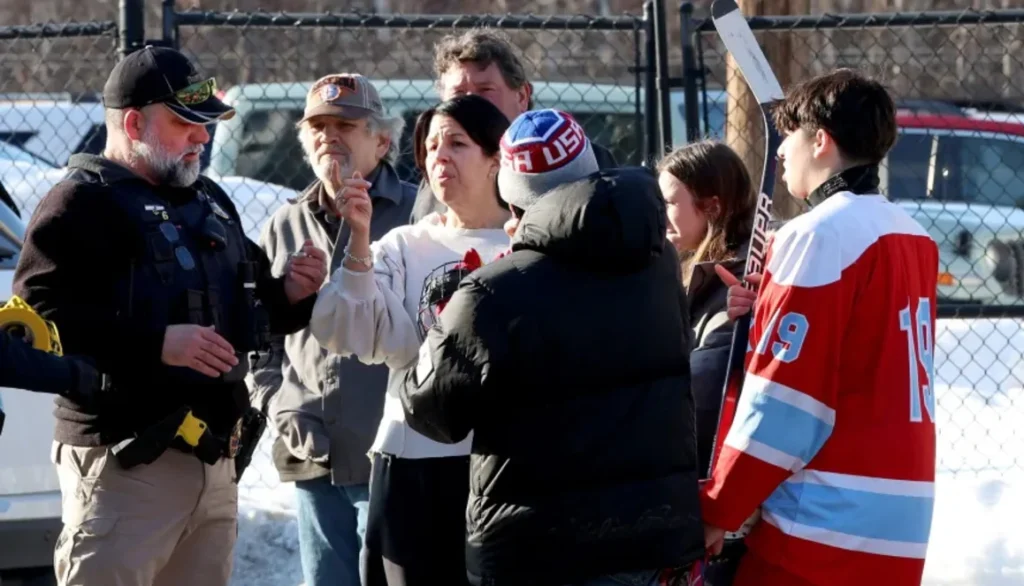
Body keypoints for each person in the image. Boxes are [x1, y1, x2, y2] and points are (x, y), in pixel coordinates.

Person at [12, 46, 327, 586]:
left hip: (216, 467)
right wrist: (154, 342)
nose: (202, 138)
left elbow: (253, 310)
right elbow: (37, 322)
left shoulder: (209, 201)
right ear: (133, 123)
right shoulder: (79, 204)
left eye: (205, 125)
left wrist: (293, 293)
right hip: (125, 470)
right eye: (185, 123)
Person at [398, 109, 705, 586]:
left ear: (512, 194)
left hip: (535, 548)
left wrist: (443, 333)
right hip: (649, 535)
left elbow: (435, 413)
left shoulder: (492, 293)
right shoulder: (656, 258)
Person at [698, 69, 940, 586]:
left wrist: (719, 506)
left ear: (821, 141)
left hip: (821, 527)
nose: (780, 150)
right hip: (900, 523)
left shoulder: (816, 235)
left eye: (790, 135)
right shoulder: (913, 236)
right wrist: (767, 313)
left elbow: (787, 404)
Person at [309, 93, 512, 586]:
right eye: (432, 146)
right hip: (415, 463)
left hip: (506, 465)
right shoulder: (405, 243)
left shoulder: (525, 245)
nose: (439, 156)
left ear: (496, 159)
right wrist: (357, 239)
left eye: (457, 144)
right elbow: (346, 328)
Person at [247, 72, 416, 586]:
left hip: (393, 459)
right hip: (313, 458)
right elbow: (259, 334)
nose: (328, 135)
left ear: (382, 140)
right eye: (317, 126)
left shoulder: (418, 213)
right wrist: (275, 403)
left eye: (346, 124)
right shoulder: (284, 223)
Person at [409, 28, 618, 223]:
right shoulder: (440, 176)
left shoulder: (575, 159)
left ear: (522, 96)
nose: (471, 104)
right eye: (459, 94)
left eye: (485, 90)